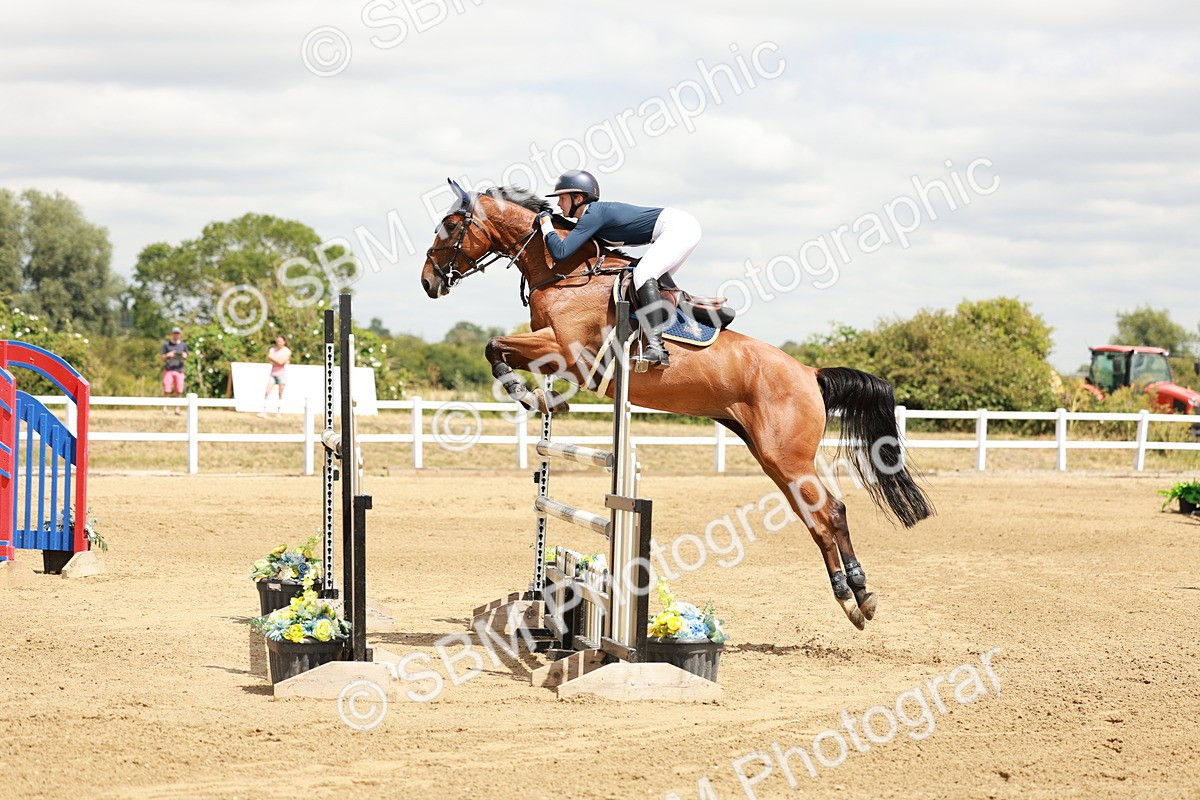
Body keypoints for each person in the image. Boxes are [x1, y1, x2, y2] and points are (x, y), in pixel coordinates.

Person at [535, 169, 701, 369]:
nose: (558, 204)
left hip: (678, 228)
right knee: (647, 282)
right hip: (681, 227)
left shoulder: (592, 215)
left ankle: (657, 348)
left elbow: (560, 252)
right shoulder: (591, 218)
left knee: (643, 274)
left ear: (578, 198)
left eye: (562, 198)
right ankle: (702, 316)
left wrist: (546, 224)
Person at [161, 326, 188, 415]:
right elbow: (162, 357)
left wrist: (184, 355)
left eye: (178, 333)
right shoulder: (166, 345)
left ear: (180, 335)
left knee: (179, 390)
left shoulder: (183, 345)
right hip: (169, 370)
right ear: (172, 334)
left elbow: (187, 356)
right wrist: (168, 355)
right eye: (174, 333)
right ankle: (165, 408)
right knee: (166, 390)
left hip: (179, 370)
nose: (176, 335)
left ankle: (177, 409)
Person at [262, 335, 291, 417]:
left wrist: (275, 361)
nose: (278, 343)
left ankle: (279, 412)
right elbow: (273, 359)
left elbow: (280, 362)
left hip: (281, 374)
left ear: (284, 342)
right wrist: (279, 362)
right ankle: (264, 411)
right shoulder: (272, 349)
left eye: (280, 341)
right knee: (267, 392)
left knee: (280, 393)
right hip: (273, 374)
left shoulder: (287, 351)